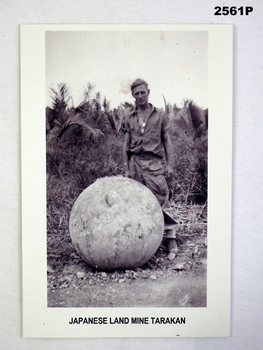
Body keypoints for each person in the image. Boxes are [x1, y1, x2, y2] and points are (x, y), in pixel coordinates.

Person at [123, 78, 178, 260]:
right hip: (135, 164)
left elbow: (167, 140)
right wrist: (127, 169)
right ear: (133, 96)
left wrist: (169, 165)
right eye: (136, 94)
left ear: (148, 92)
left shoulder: (159, 115)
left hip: (154, 163)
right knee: (134, 202)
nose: (140, 96)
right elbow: (125, 144)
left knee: (161, 198)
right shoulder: (129, 116)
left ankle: (170, 238)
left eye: (142, 92)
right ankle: (140, 240)